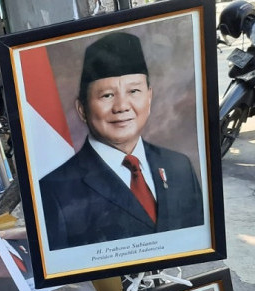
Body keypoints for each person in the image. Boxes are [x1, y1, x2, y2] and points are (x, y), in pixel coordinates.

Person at [40, 31, 204, 251]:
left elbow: (197, 245)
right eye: (107, 95)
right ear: (82, 109)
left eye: (134, 91)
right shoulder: (55, 190)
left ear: (149, 97)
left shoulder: (179, 166)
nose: (122, 107)